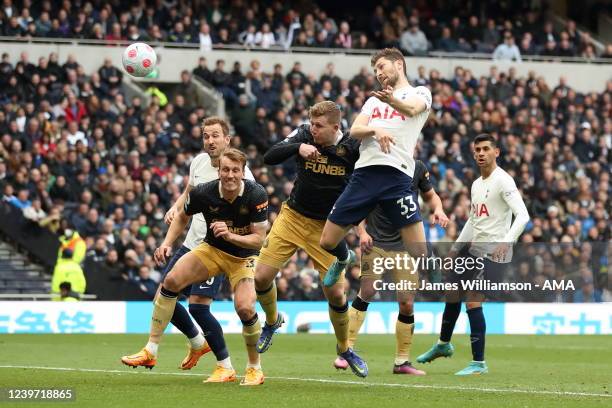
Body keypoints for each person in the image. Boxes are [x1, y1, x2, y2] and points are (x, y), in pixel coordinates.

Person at [121, 149, 269, 386]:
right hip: (212, 250)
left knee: (244, 308)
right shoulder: (204, 192)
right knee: (169, 283)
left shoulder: (255, 193)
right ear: (218, 170)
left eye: (235, 171)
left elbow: (259, 239)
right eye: (225, 170)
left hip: (244, 257)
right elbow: (182, 215)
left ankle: (254, 368)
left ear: (243, 173)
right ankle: (151, 349)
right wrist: (168, 243)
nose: (230, 175)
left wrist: (230, 236)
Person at [254, 101, 367, 377]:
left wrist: (361, 229)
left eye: (319, 126)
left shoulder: (352, 147)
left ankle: (344, 348)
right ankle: (272, 321)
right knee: (260, 278)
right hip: (293, 217)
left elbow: (362, 190)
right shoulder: (303, 135)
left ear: (335, 128)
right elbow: (269, 156)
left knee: (336, 294)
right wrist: (297, 147)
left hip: (327, 227)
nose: (313, 130)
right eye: (312, 124)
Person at [319, 48, 431, 301]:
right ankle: (344, 258)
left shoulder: (420, 92)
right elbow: (355, 130)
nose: (378, 73)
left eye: (382, 66)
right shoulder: (373, 101)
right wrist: (376, 130)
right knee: (326, 241)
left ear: (398, 64)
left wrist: (393, 102)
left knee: (420, 253)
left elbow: (413, 110)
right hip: (365, 177)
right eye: (376, 70)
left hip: (398, 178)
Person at [416, 134, 530, 375]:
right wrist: (456, 249)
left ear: (496, 152)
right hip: (474, 248)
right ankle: (443, 345)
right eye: (477, 149)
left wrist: (507, 241)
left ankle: (479, 363)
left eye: (486, 149)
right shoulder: (477, 184)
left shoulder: (504, 181)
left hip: (495, 253)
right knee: (452, 294)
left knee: (473, 301)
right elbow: (473, 219)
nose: (480, 153)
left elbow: (523, 216)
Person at [153, 117, 255, 375]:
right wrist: (175, 208)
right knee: (163, 296)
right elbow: (189, 192)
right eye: (206, 136)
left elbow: (250, 211)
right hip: (191, 243)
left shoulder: (240, 173)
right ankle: (198, 343)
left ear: (227, 139)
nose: (210, 141)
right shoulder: (198, 162)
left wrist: (232, 235)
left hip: (218, 248)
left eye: (215, 136)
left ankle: (225, 364)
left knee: (198, 306)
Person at [335, 159, 449, 375]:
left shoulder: (417, 168)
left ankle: (401, 362)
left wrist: (439, 209)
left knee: (406, 302)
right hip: (376, 243)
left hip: (405, 247)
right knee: (368, 290)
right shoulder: (375, 165)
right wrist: (362, 232)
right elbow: (357, 203)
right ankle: (344, 351)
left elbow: (431, 196)